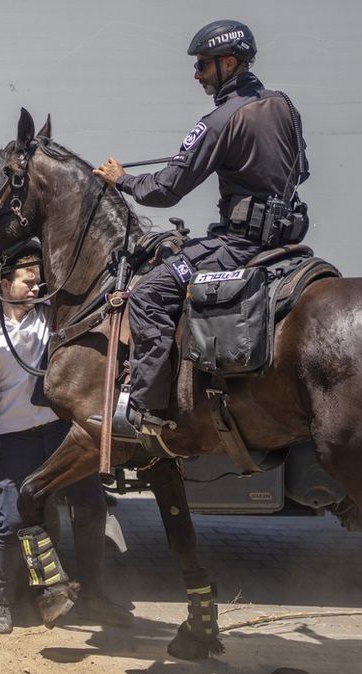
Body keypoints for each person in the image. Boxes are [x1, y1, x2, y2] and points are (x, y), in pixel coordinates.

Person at [91, 20, 310, 438]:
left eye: (202, 66)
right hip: (289, 244)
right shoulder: (287, 107)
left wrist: (122, 180)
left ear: (229, 63)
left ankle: (147, 409)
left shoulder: (219, 120)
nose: (197, 75)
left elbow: (167, 189)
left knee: (149, 294)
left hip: (238, 246)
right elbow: (302, 170)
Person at [0, 241, 133, 634]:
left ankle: (93, 595)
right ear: (4, 283)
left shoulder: (52, 316)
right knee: (9, 521)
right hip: (12, 437)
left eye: (39, 282)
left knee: (91, 506)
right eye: (28, 281)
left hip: (60, 432)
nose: (36, 288)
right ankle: (4, 603)